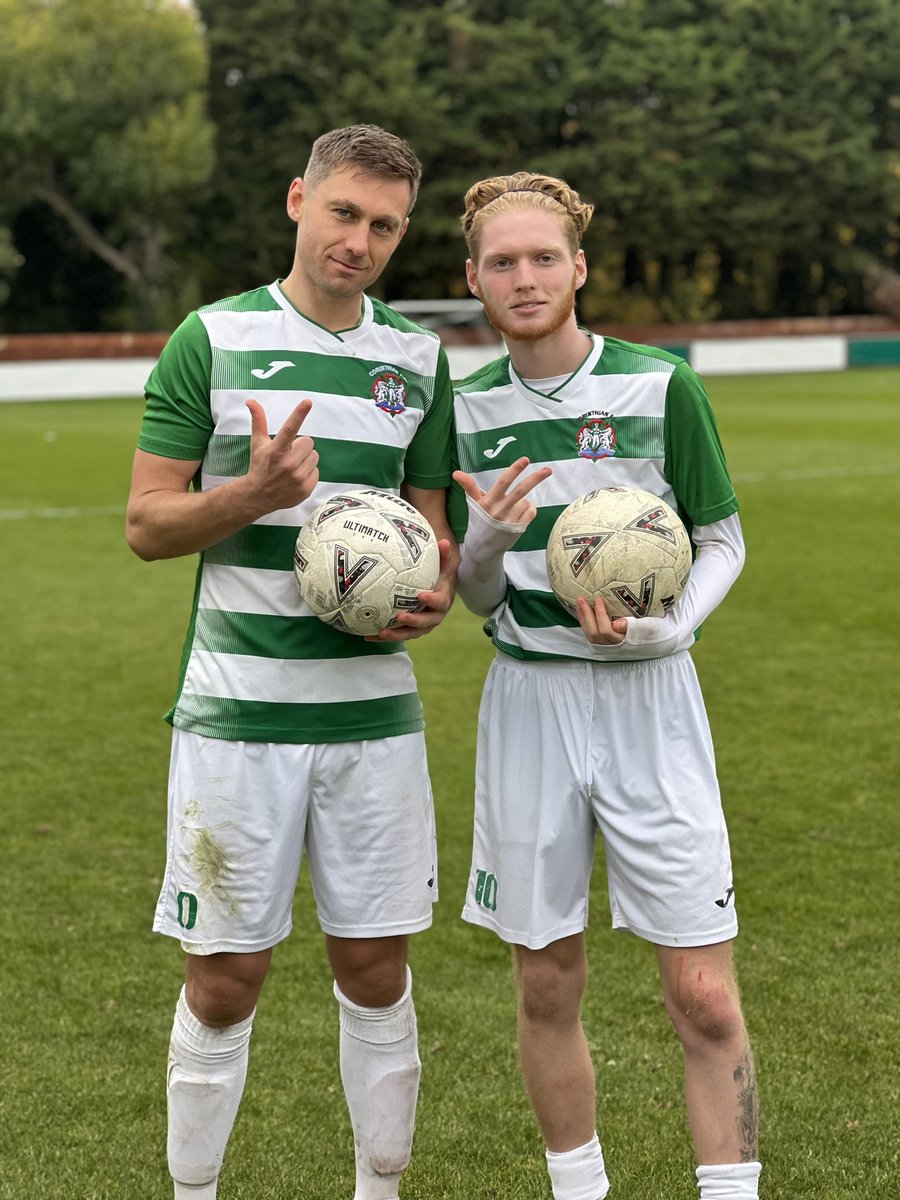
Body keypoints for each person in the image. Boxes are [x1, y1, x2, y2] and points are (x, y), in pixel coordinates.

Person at [126, 124, 458, 1200]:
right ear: (297, 201)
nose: (359, 240)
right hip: (238, 716)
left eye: (384, 226)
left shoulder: (417, 359)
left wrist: (433, 594)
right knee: (225, 981)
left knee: (376, 971)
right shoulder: (211, 340)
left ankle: (381, 1189)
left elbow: (431, 534)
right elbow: (146, 523)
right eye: (344, 212)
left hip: (372, 723)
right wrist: (254, 498)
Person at [449, 172, 760, 1200]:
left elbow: (722, 539)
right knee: (546, 981)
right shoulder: (465, 410)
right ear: (474, 280)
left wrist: (670, 627)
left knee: (706, 995)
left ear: (579, 266)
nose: (524, 276)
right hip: (532, 702)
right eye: (503, 262)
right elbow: (474, 593)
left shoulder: (661, 386)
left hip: (651, 703)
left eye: (544, 257)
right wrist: (485, 547)